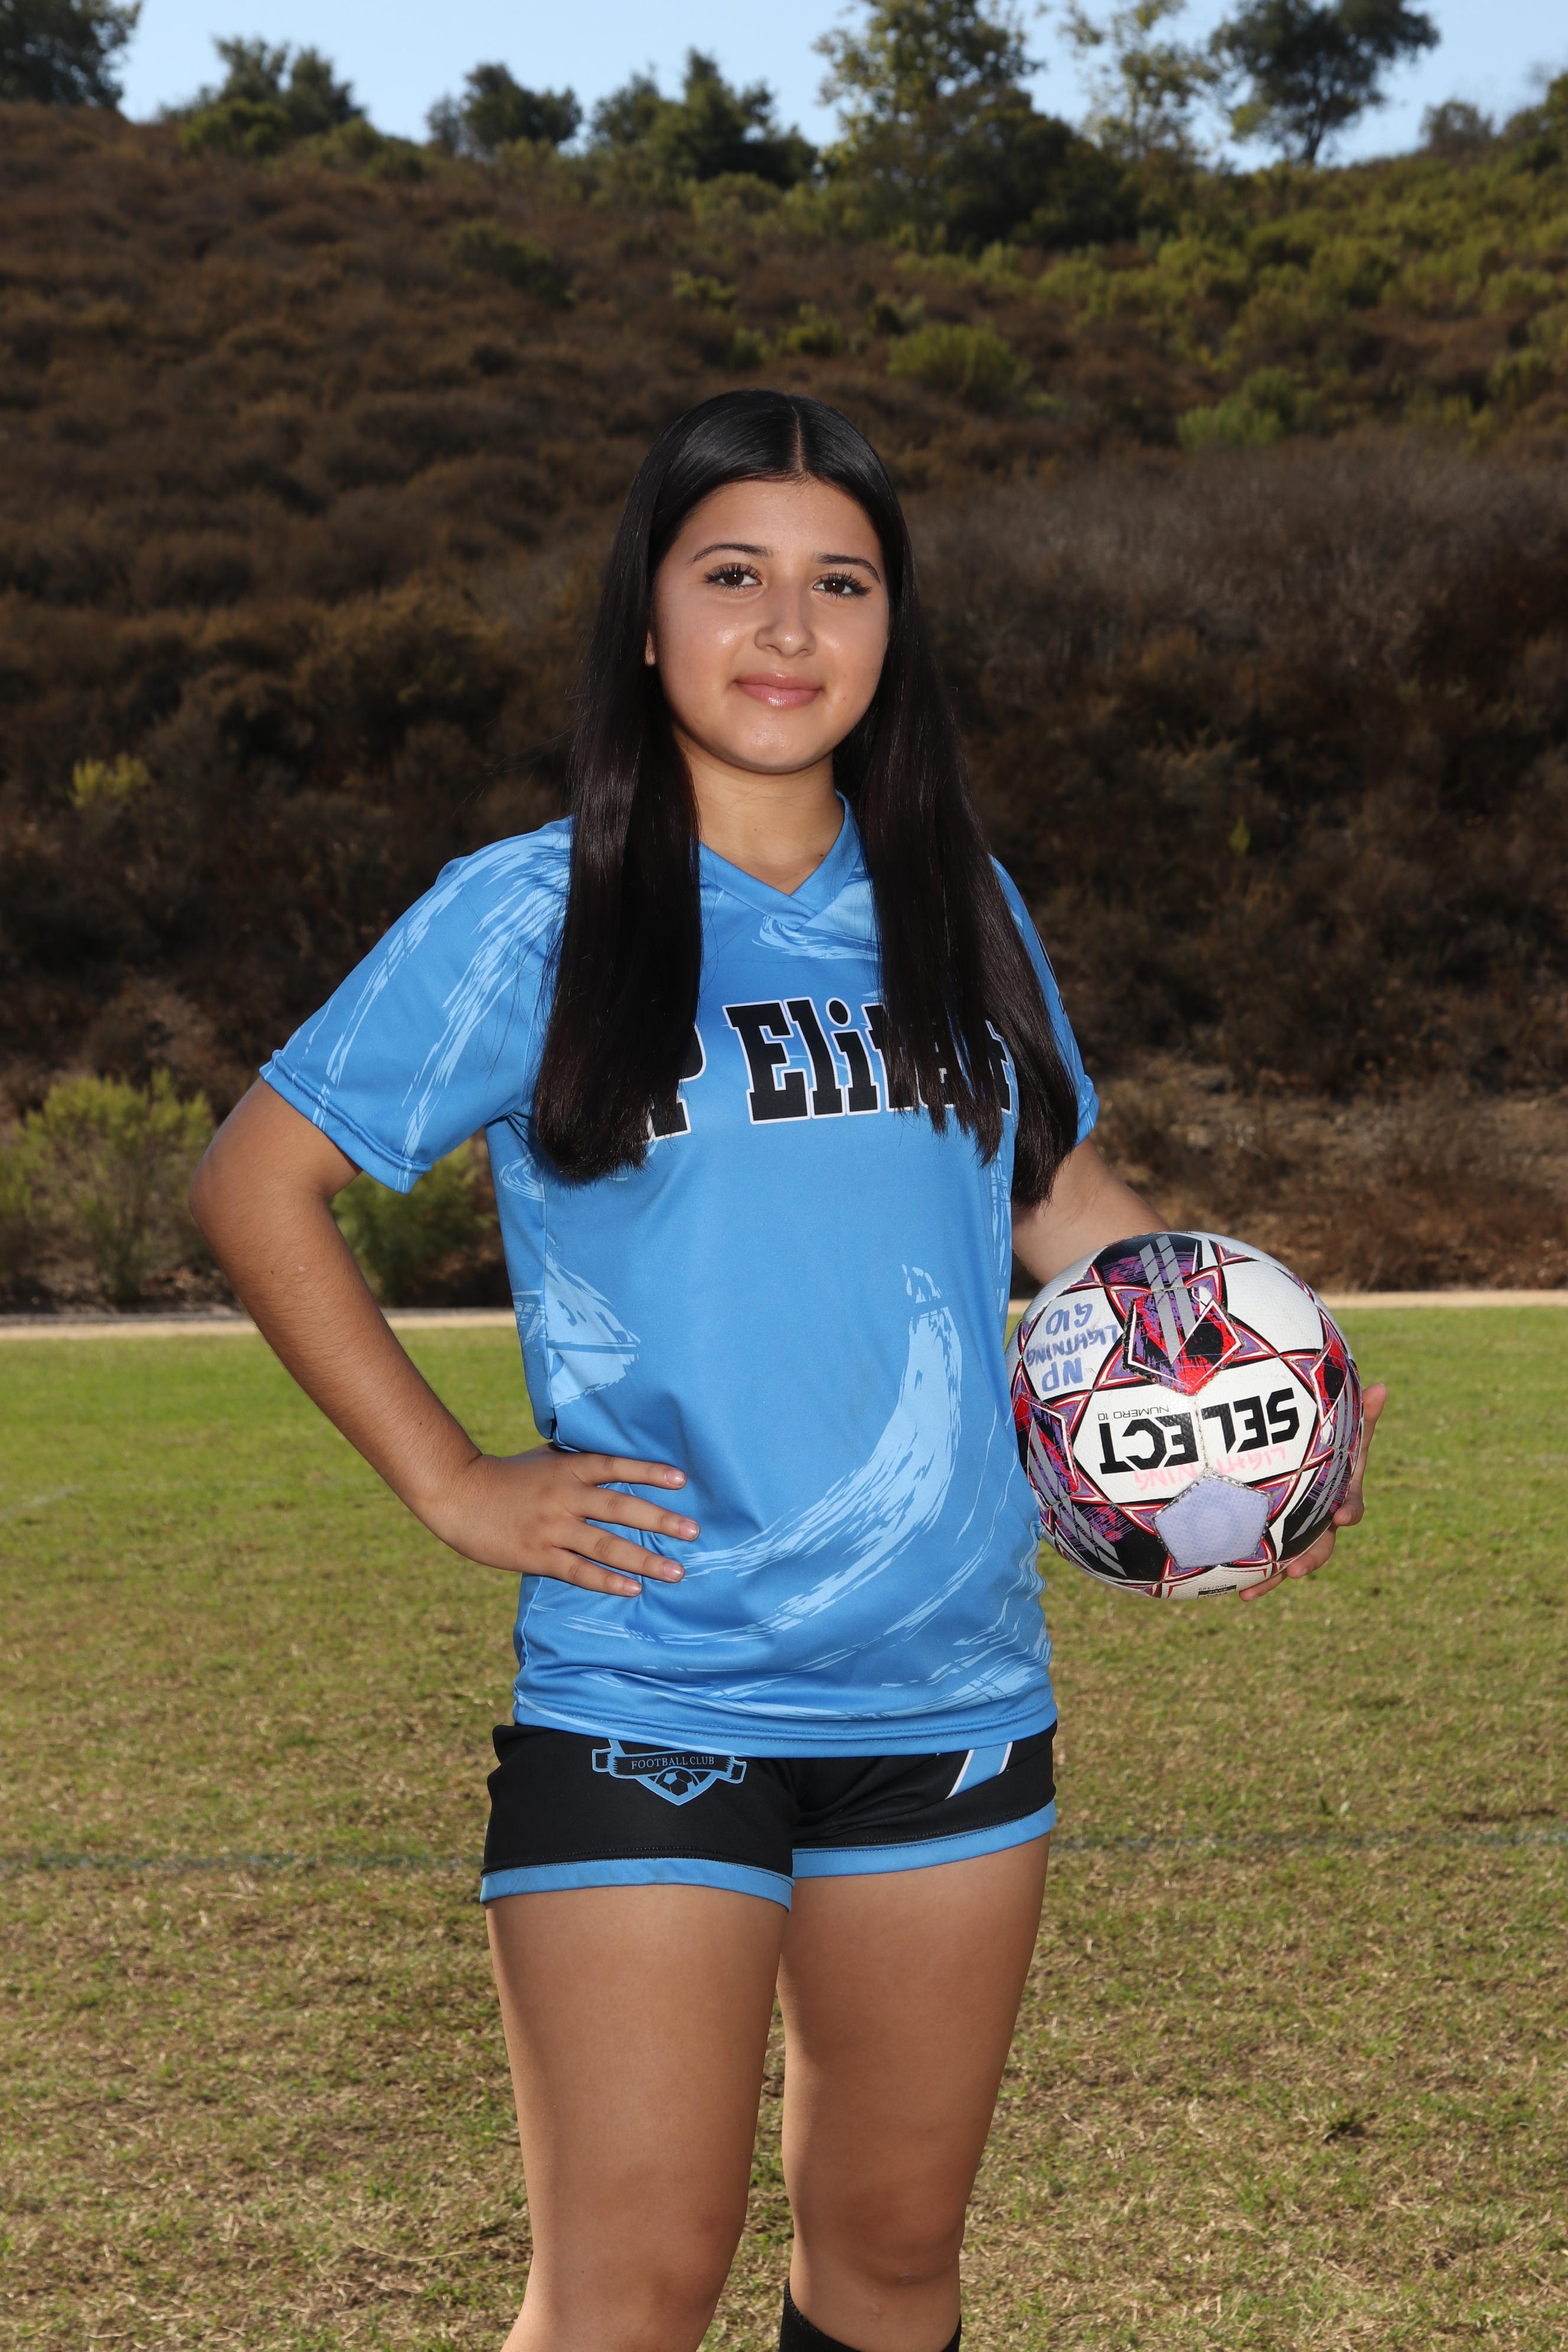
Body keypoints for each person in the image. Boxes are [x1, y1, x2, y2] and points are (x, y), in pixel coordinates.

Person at [190, 388, 1382, 2352]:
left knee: (893, 2261)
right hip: (656, 1681)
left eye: (843, 583)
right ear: (647, 615)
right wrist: (453, 1480)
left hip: (950, 1681)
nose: (786, 628)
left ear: (893, 627)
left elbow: (1064, 1203)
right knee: (633, 2285)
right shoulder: (538, 907)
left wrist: (1264, 1425)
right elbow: (259, 1179)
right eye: (732, 574)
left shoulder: (955, 899)